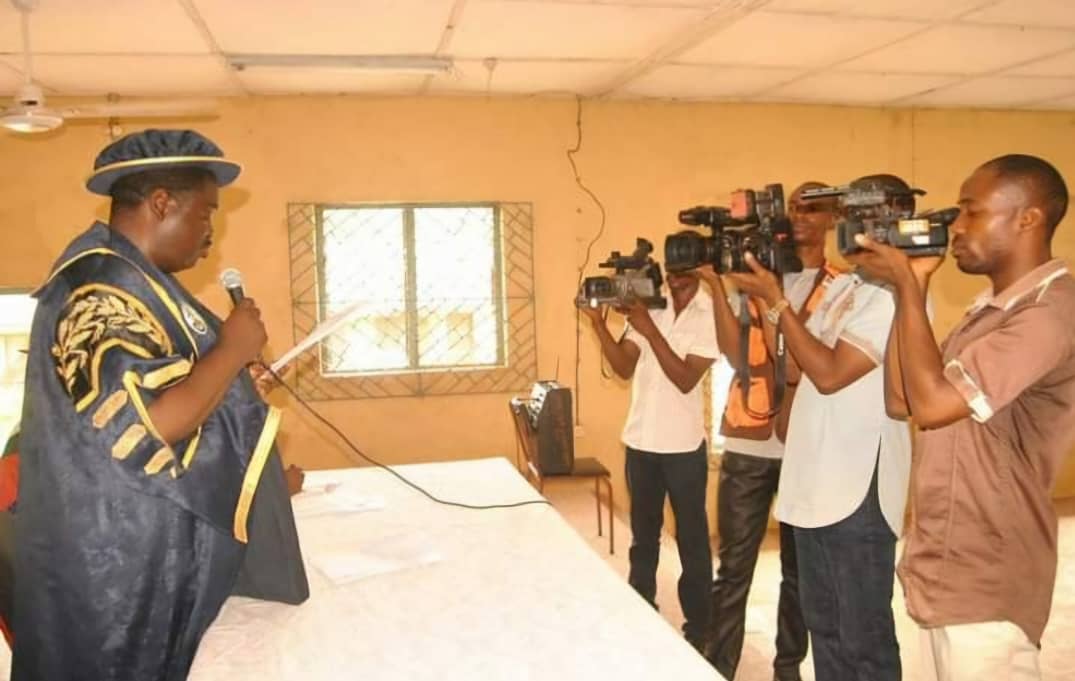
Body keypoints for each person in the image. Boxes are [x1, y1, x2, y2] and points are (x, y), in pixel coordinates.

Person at [13, 129, 308, 681]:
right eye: (204, 215)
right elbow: (149, 425)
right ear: (161, 203)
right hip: (112, 563)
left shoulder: (141, 283)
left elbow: (174, 390)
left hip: (147, 546)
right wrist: (233, 350)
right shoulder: (98, 289)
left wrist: (236, 389)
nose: (209, 235)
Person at [850, 154, 1075, 681]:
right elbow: (902, 397)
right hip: (944, 566)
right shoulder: (990, 311)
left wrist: (906, 286)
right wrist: (915, 287)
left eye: (972, 212)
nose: (955, 226)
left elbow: (931, 406)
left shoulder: (1050, 313)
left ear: (1028, 218)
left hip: (990, 575)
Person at [728, 174, 914, 681]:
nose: (856, 227)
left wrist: (778, 302)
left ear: (900, 218)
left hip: (856, 492)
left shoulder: (897, 294)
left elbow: (830, 374)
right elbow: (792, 366)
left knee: (863, 640)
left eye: (869, 215)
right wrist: (769, 300)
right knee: (826, 631)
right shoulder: (847, 287)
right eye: (853, 214)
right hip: (812, 484)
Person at [696, 182, 842, 681]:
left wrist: (774, 304)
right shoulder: (755, 275)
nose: (801, 216)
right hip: (748, 440)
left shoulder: (842, 286)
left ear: (833, 219)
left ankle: (787, 669)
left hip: (807, 445)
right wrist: (719, 287)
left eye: (813, 209)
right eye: (794, 207)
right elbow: (736, 356)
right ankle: (718, 668)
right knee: (733, 568)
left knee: (799, 574)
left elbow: (819, 366)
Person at [581, 269, 718, 651]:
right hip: (641, 441)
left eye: (680, 273)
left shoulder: (708, 314)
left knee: (691, 540)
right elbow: (624, 367)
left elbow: (686, 378)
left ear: (697, 271)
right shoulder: (651, 306)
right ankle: (641, 611)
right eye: (668, 273)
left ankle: (700, 627)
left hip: (683, 447)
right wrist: (599, 325)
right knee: (643, 538)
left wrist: (649, 328)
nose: (671, 281)